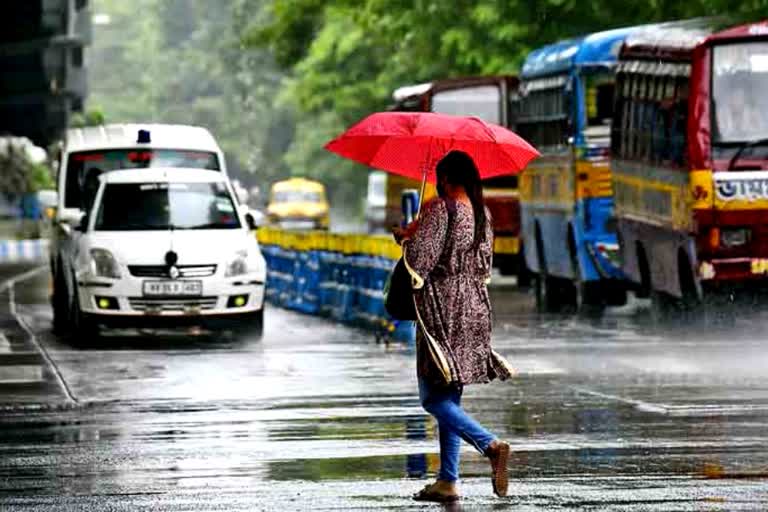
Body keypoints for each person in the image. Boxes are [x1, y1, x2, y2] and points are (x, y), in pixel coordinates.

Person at [394, 150, 515, 503]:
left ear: (445, 179)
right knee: (450, 395)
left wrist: (408, 236)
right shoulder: (482, 213)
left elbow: (420, 263)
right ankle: (447, 479)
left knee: (432, 397)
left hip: (441, 310)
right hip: (475, 307)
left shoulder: (440, 209)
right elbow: (484, 263)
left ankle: (489, 444)